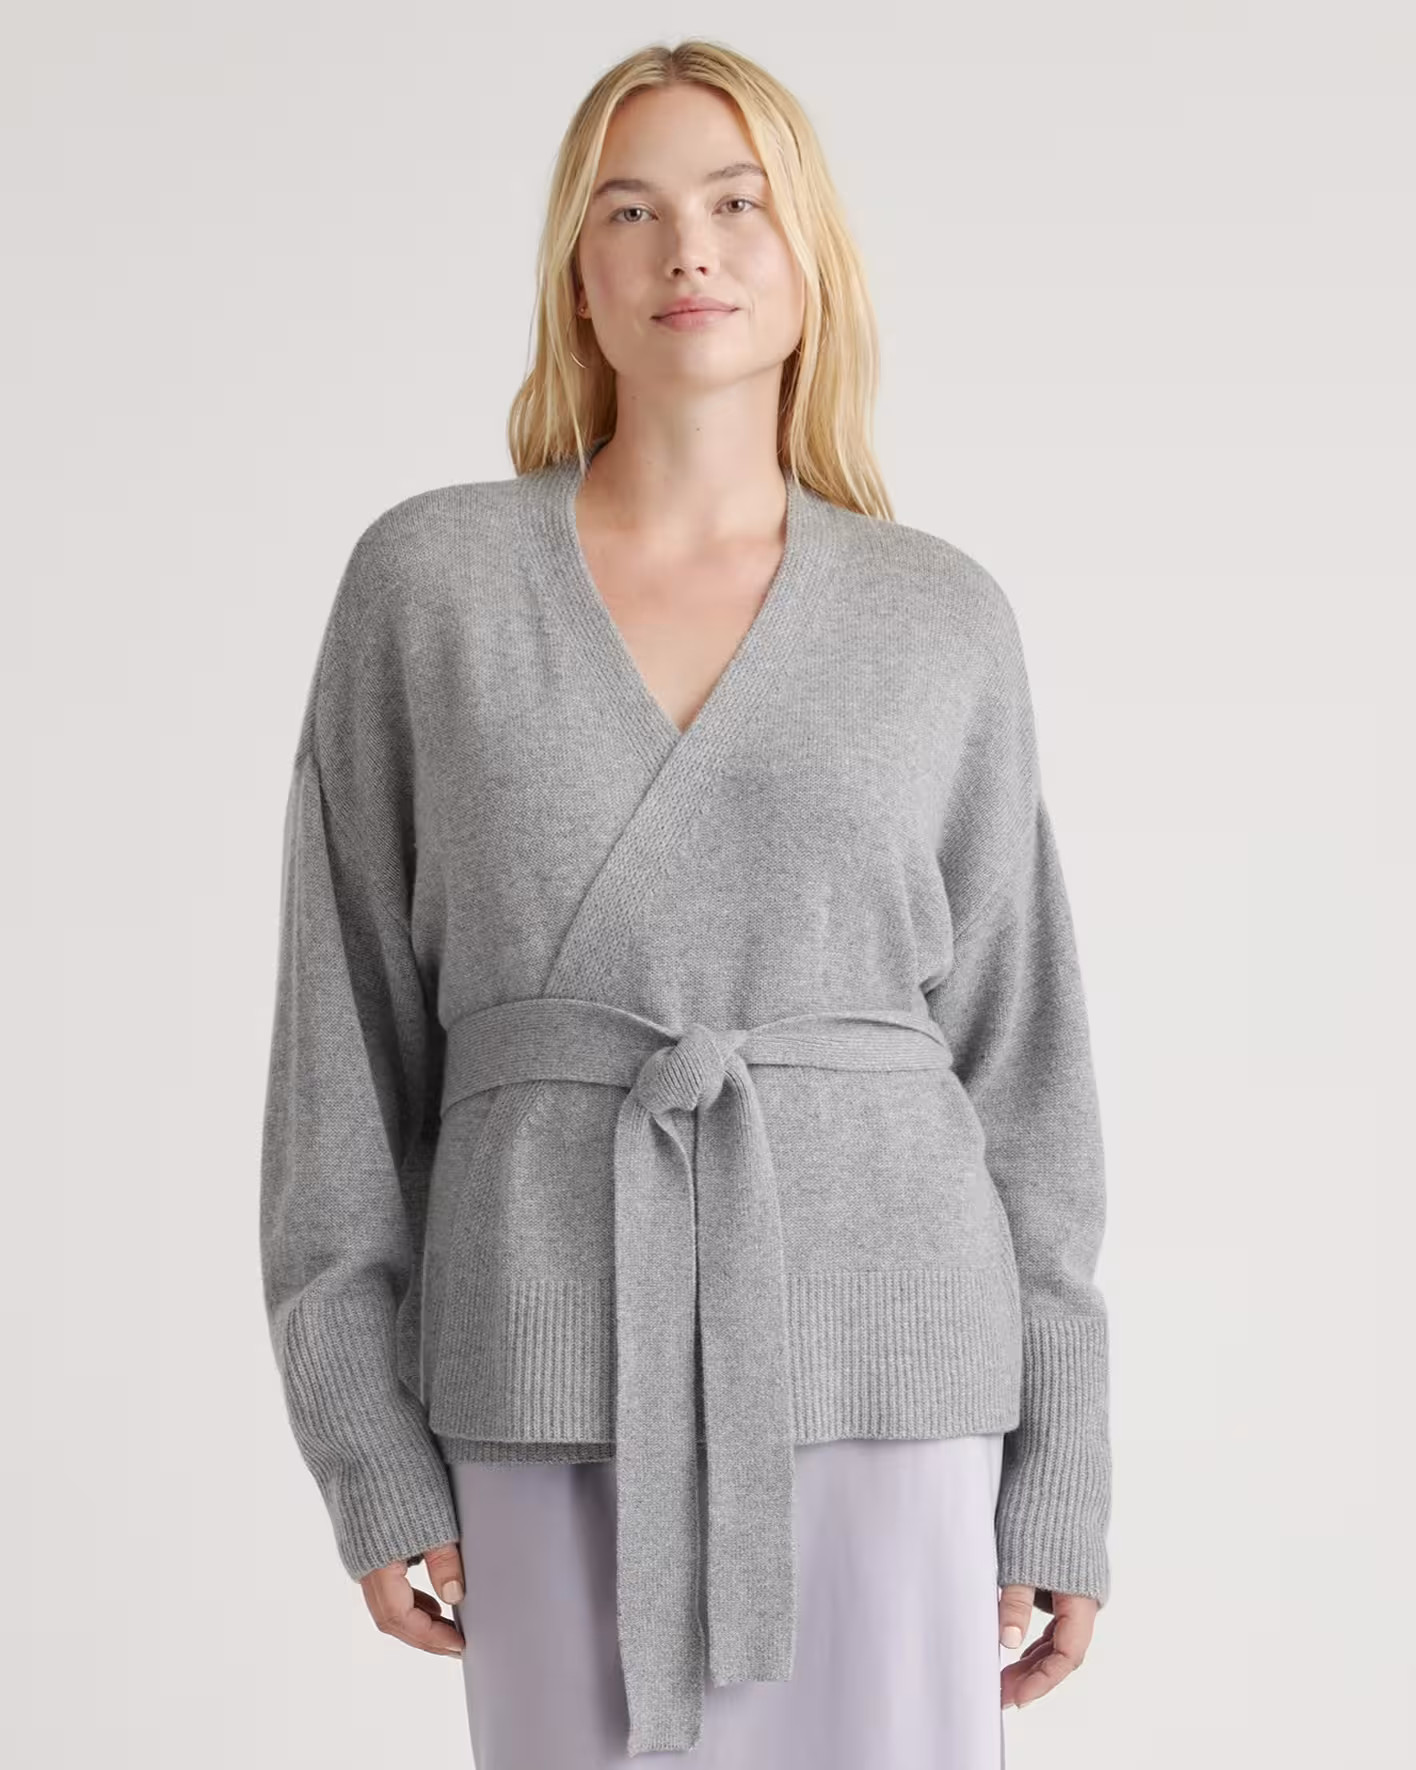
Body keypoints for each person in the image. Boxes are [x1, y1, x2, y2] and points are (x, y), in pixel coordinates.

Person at [259, 37, 1112, 1769]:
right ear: (577, 273)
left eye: (737, 204)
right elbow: (338, 1048)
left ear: (810, 260)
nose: (688, 253)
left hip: (893, 1363)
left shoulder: (940, 614)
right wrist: (363, 1438)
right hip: (548, 1354)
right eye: (630, 211)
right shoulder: (428, 583)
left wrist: (1067, 1469)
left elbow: (1023, 1064)